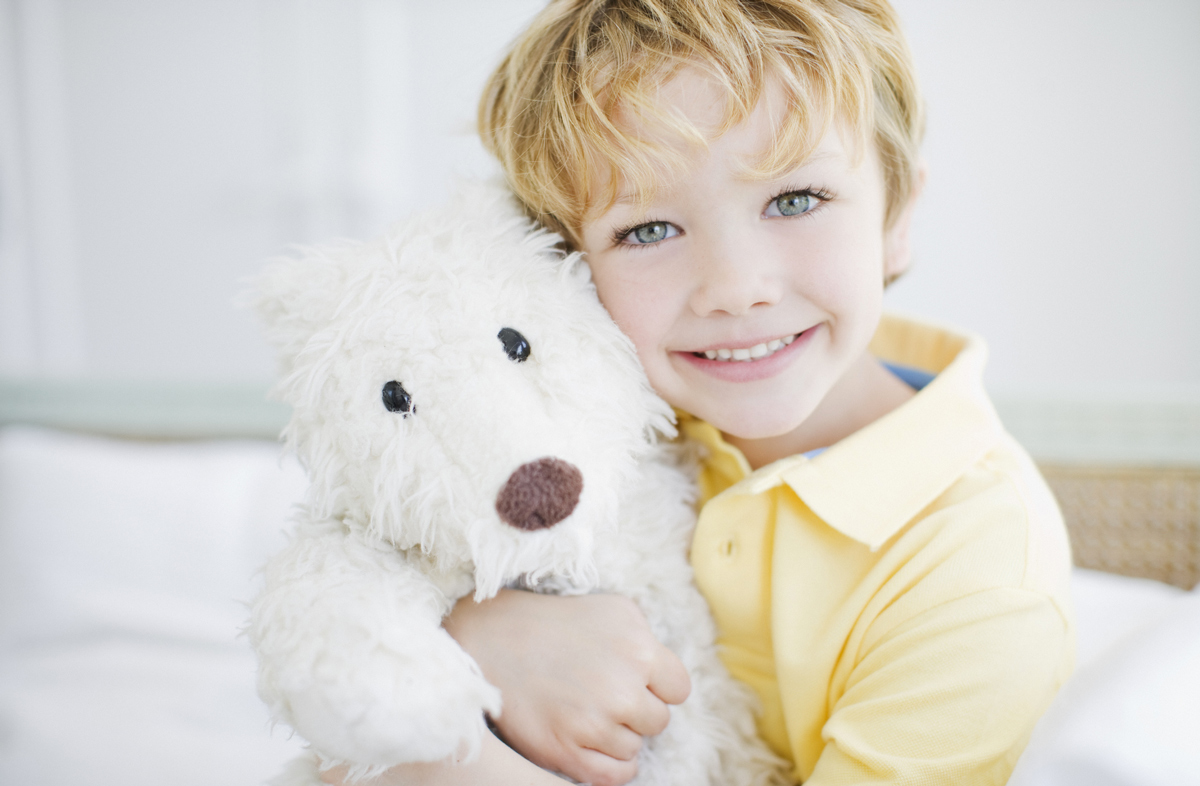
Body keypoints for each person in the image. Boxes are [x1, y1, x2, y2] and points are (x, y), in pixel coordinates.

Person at [323, 1, 1074, 784]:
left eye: (795, 200)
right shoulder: (579, 421)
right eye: (647, 230)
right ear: (563, 264)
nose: (735, 289)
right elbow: (349, 593)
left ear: (898, 217)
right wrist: (476, 628)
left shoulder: (980, 570)